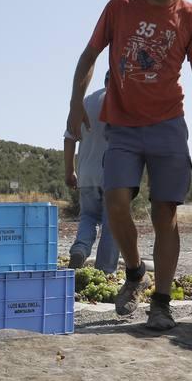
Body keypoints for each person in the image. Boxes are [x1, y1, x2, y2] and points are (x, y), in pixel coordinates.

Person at [65, 0, 192, 331]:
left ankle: (161, 301)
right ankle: (135, 269)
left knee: (165, 213)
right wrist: (75, 102)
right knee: (115, 201)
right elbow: (89, 55)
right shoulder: (121, 7)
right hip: (122, 123)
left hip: (168, 125)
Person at [64, 76, 120, 271]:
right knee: (112, 224)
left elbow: (69, 138)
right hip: (114, 175)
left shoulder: (86, 101)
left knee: (88, 216)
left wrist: (69, 170)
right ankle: (105, 271)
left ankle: (80, 248)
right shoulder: (124, 100)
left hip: (86, 174)